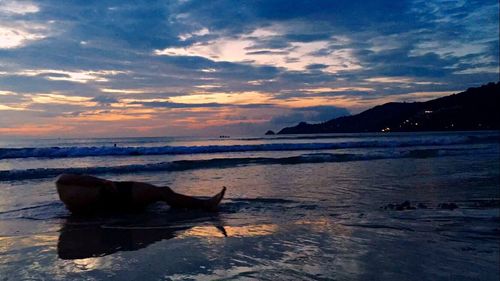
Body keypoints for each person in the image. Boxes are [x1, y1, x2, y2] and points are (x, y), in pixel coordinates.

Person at [56, 174, 226, 214]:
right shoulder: (62, 183)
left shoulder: (69, 199)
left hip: (114, 200)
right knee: (163, 192)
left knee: (159, 197)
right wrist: (103, 182)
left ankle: (191, 206)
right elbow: (68, 178)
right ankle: (204, 205)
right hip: (117, 193)